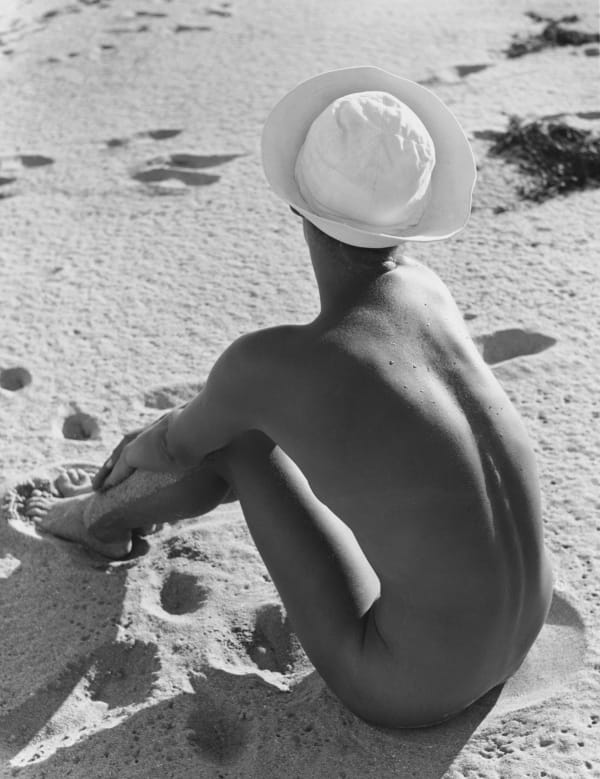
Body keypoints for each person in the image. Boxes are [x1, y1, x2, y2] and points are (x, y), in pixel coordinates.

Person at [26, 67, 553, 728]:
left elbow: (178, 445)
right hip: (522, 629)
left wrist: (144, 441)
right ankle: (108, 518)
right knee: (254, 423)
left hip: (411, 688)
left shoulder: (276, 363)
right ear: (414, 215)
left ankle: (98, 523)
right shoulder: (429, 296)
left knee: (235, 443)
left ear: (299, 204)